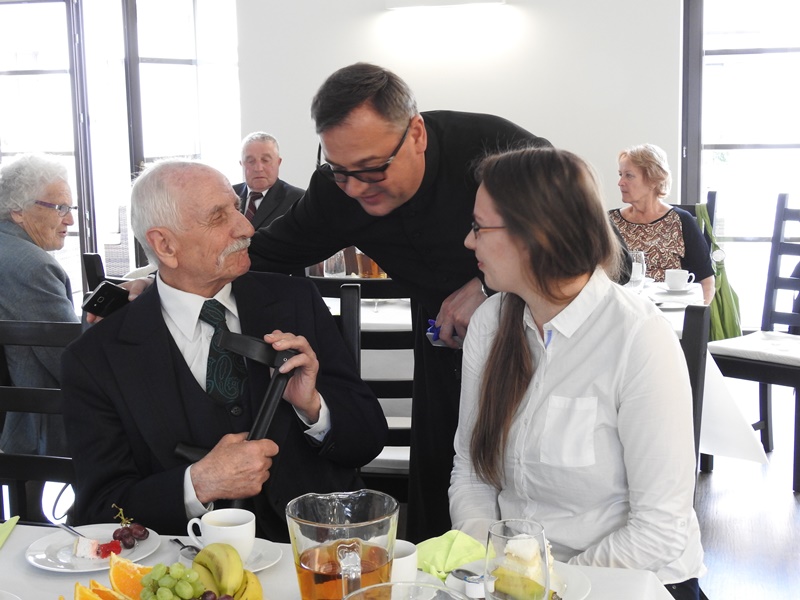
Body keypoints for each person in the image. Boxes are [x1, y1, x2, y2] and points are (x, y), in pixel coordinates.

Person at [61, 159, 387, 540]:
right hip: (186, 563)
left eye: (236, 206)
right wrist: (197, 484)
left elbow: (367, 440)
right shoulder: (95, 359)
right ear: (165, 245)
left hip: (313, 554)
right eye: (219, 216)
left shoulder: (296, 301)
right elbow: (100, 510)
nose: (246, 227)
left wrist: (313, 407)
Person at [449, 147, 705, 600]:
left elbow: (659, 529)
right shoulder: (491, 323)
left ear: (535, 235)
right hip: (517, 584)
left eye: (479, 227)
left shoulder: (638, 337)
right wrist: (495, 567)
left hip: (629, 579)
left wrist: (550, 585)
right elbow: (472, 474)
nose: (469, 242)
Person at [0, 154, 78, 459]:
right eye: (60, 208)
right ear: (18, 211)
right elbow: (69, 361)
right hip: (29, 423)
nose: (70, 220)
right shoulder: (33, 266)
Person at [610, 143, 715, 304]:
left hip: (671, 311)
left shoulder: (680, 221)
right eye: (620, 174)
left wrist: (697, 316)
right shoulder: (610, 222)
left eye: (629, 176)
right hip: (622, 309)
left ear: (653, 180)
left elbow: (706, 281)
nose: (620, 182)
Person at [233, 132, 305, 230]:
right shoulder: (229, 195)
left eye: (265, 160)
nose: (258, 168)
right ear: (242, 164)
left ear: (278, 162)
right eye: (251, 161)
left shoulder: (298, 199)